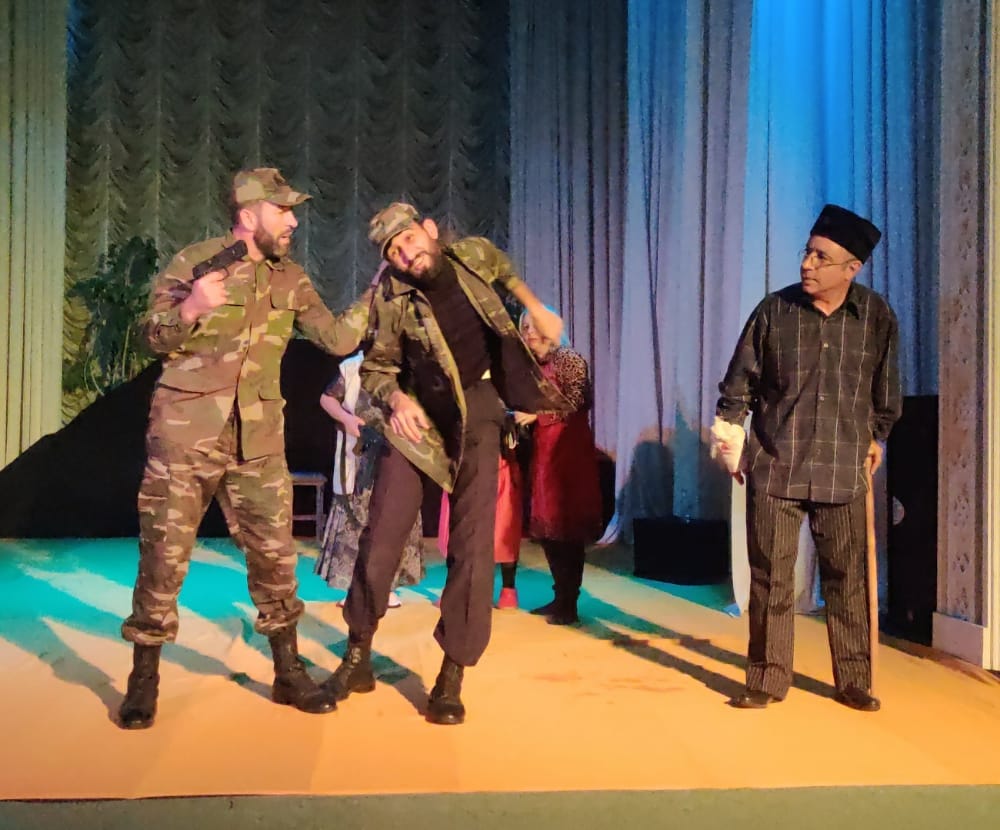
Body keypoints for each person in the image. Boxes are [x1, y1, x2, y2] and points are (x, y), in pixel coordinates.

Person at [118, 168, 373, 729]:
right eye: (283, 211)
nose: (293, 221)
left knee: (275, 557)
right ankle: (143, 678)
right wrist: (190, 308)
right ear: (249, 213)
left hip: (257, 440)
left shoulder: (291, 279)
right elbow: (148, 337)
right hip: (186, 435)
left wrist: (377, 291)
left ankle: (288, 672)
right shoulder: (196, 264)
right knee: (163, 557)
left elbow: (337, 339)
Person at [325, 201, 567, 725]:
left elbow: (504, 268)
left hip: (478, 412)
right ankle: (357, 653)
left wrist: (537, 307)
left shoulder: (472, 256)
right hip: (418, 420)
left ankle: (451, 673)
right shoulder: (391, 298)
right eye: (394, 250)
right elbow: (377, 367)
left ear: (430, 230)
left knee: (472, 547)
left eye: (409, 239)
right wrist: (396, 399)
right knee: (382, 535)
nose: (406, 253)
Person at [712, 204, 901, 712]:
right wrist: (730, 440)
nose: (807, 264)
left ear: (851, 268)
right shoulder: (774, 311)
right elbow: (738, 384)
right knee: (771, 577)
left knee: (847, 579)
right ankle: (767, 677)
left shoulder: (876, 317)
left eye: (821, 257)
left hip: (843, 467)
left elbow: (886, 389)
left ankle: (854, 680)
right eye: (807, 252)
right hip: (777, 462)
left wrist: (877, 436)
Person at [514, 310, 604, 625]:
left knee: (567, 527)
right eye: (524, 327)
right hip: (544, 451)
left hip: (569, 452)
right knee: (548, 528)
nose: (528, 332)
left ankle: (570, 602)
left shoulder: (568, 358)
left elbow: (578, 401)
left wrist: (537, 416)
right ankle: (559, 595)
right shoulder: (532, 366)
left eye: (533, 327)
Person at [315, 353, 425, 605]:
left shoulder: (406, 366)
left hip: (396, 451)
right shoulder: (353, 367)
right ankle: (353, 590)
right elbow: (327, 398)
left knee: (393, 518)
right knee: (355, 519)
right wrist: (347, 419)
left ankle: (386, 587)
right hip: (358, 453)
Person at [437, 411, 525, 609]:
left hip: (487, 457)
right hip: (479, 457)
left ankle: (506, 589)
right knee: (493, 523)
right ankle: (503, 591)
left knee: (496, 522)